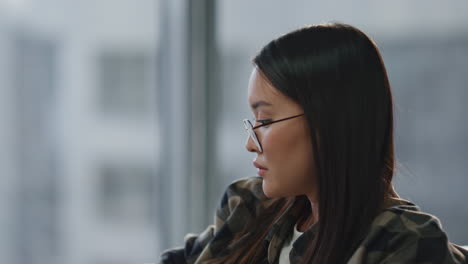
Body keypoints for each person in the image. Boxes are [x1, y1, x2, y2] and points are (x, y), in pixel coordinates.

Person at [159, 23, 468, 264]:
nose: (250, 145)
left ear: (328, 122)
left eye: (265, 122)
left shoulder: (401, 244)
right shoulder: (250, 206)